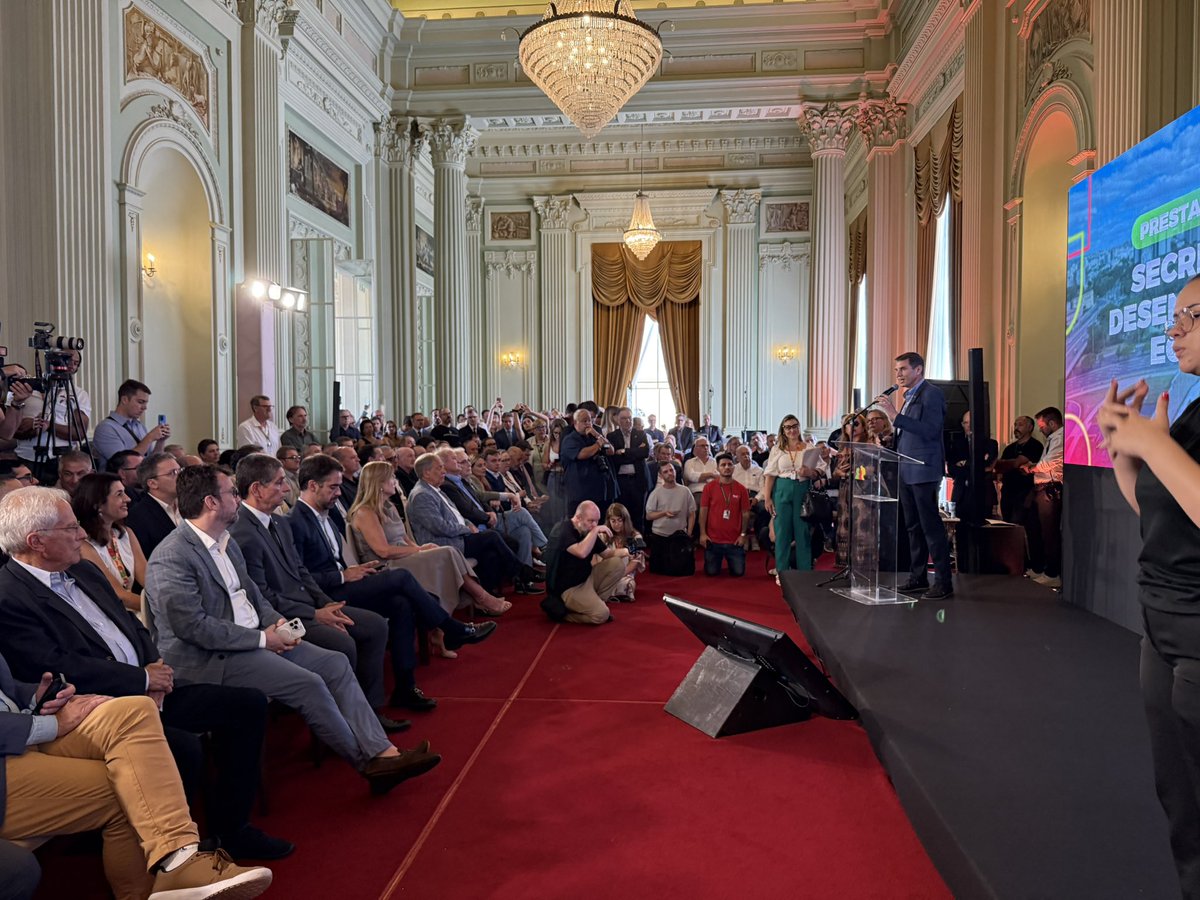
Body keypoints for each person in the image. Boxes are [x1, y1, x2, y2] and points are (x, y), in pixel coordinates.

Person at [0, 487, 292, 863]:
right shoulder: (9, 596)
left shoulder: (83, 569)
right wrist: (139, 681)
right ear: (36, 541)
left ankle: (231, 829)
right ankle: (168, 857)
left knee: (246, 704)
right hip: (99, 708)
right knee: (182, 747)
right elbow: (60, 665)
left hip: (148, 686)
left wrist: (153, 665)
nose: (83, 535)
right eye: (71, 528)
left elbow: (132, 623)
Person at [144, 464, 444, 793]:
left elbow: (253, 596)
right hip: (213, 657)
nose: (236, 497)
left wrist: (279, 624)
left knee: (334, 661)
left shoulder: (224, 541)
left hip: (256, 636)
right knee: (309, 683)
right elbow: (193, 628)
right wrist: (264, 638)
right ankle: (369, 764)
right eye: (231, 492)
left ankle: (383, 751)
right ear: (210, 502)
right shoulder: (171, 556)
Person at [0, 648, 274, 899]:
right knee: (131, 783)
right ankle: (158, 881)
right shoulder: (12, 595)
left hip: (21, 728)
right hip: (13, 746)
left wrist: (37, 696)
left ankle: (179, 859)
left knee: (134, 711)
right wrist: (44, 725)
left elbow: (5, 689)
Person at [1096, 280, 1200, 899]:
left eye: (1191, 314)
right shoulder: (1190, 412)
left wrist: (1155, 444)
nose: (1173, 328)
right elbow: (1156, 511)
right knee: (1183, 809)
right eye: (1174, 315)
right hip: (1160, 624)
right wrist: (1124, 452)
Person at [287, 453, 496, 709]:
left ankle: (406, 688)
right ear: (312, 486)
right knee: (401, 577)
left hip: (348, 579)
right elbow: (300, 576)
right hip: (328, 592)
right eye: (333, 487)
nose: (340, 493)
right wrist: (343, 574)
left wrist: (353, 569)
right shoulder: (296, 522)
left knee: (402, 605)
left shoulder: (326, 515)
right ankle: (452, 628)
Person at [227, 454, 407, 734]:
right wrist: (315, 613)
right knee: (342, 643)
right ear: (256, 489)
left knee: (373, 626)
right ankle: (346, 723)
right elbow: (261, 597)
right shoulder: (243, 534)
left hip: (310, 607)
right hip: (284, 621)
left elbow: (301, 573)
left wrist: (327, 604)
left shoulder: (278, 523)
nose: (287, 488)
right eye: (278, 483)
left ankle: (370, 711)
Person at [348, 460, 511, 622]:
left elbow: (405, 538)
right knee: (447, 552)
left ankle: (458, 613)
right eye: (391, 478)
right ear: (379, 483)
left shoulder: (388, 507)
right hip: (387, 565)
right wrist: (418, 551)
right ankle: (479, 598)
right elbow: (383, 550)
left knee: (447, 551)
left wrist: (421, 548)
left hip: (404, 557)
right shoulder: (365, 513)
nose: (396, 482)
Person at [872, 352, 953, 600]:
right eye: (897, 369)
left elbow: (930, 431)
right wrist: (892, 439)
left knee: (930, 526)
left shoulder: (931, 394)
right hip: (906, 470)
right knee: (913, 527)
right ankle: (918, 577)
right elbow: (910, 433)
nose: (898, 374)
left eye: (903, 369)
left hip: (924, 469)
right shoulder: (908, 397)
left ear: (918, 370)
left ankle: (943, 582)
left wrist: (895, 417)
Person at [406, 452, 537, 596]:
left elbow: (457, 515)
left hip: (457, 536)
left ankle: (489, 594)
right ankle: (520, 571)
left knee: (491, 553)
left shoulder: (435, 489)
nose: (443, 471)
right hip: (443, 543)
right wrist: (466, 528)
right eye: (439, 468)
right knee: (492, 536)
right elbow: (439, 527)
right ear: (427, 473)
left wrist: (467, 524)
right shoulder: (422, 495)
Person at [545, 501, 641, 625]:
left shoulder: (587, 530)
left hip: (586, 579)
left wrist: (626, 551)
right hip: (567, 588)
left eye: (597, 521)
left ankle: (596, 603)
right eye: (591, 521)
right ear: (578, 518)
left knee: (617, 564)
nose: (594, 525)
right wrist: (595, 531)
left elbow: (607, 554)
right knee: (601, 615)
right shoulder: (563, 529)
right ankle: (566, 615)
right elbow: (581, 552)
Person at [72, 473, 147, 613]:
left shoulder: (125, 533)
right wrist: (162, 607)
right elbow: (119, 595)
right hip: (112, 616)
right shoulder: (84, 546)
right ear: (98, 504)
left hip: (137, 611)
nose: (128, 499)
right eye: (119, 494)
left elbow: (149, 578)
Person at [763, 414, 822, 583]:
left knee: (802, 531)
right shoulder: (777, 449)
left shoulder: (809, 447)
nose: (792, 430)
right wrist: (767, 498)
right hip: (782, 488)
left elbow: (821, 470)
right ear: (783, 430)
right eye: (788, 427)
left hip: (802, 489)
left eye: (795, 426)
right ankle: (782, 573)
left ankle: (805, 571)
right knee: (782, 532)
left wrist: (810, 472)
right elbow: (770, 475)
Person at [91, 379, 169, 471]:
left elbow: (152, 462)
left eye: (146, 403)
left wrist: (160, 441)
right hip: (118, 482)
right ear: (124, 400)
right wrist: (150, 437)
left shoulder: (139, 426)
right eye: (140, 402)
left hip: (143, 480)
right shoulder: (106, 428)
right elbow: (124, 464)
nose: (145, 407)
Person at [1024, 406, 1064, 588]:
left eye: (1041, 425)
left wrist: (1032, 467)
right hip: (1041, 488)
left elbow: (1050, 462)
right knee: (1035, 527)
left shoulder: (1061, 438)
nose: (1040, 429)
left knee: (1050, 532)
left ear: (1052, 423)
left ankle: (1052, 572)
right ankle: (1039, 566)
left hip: (1050, 488)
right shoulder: (1051, 439)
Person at [699, 452, 751, 577]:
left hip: (734, 541)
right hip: (713, 541)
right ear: (717, 468)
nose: (726, 467)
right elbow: (703, 511)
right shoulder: (709, 488)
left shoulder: (742, 489)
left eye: (729, 464)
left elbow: (745, 513)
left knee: (738, 573)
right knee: (711, 573)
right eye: (723, 465)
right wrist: (703, 534)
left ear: (734, 467)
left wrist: (743, 535)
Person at [124, 451, 182, 560]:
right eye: (173, 473)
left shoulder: (190, 506)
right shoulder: (138, 516)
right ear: (152, 483)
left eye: (180, 470)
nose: (181, 477)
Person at [945, 410, 999, 523]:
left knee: (984, 530)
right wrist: (976, 466)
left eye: (971, 422)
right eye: (966, 422)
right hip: (961, 493)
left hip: (983, 493)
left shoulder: (991, 443)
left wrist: (964, 463)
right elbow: (952, 469)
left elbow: (987, 465)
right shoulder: (956, 444)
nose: (969, 425)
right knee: (960, 529)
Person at [559, 408, 614, 513]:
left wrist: (597, 435)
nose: (588, 423)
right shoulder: (570, 439)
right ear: (575, 423)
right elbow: (582, 454)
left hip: (599, 489)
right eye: (584, 421)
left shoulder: (595, 436)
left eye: (590, 420)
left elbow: (611, 450)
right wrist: (598, 444)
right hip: (580, 491)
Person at [830, 414, 867, 568]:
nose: (853, 426)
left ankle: (862, 561)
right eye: (848, 423)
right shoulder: (842, 446)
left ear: (863, 426)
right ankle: (844, 562)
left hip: (862, 489)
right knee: (844, 523)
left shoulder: (868, 445)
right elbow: (834, 474)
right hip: (845, 489)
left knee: (860, 524)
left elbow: (869, 470)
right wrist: (839, 472)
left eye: (856, 423)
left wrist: (855, 472)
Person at [606, 407, 650, 532]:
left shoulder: (640, 434)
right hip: (621, 481)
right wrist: (634, 454)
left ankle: (638, 545)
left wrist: (624, 451)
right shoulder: (612, 436)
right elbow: (614, 459)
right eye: (624, 419)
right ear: (617, 420)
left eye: (629, 418)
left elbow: (645, 453)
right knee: (621, 515)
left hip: (638, 480)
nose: (627, 421)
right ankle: (623, 544)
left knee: (638, 515)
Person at [992, 415, 1043, 524]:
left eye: (1020, 425)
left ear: (1030, 428)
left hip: (1025, 492)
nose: (1016, 428)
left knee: (1019, 523)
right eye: (1015, 424)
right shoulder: (1009, 448)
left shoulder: (1035, 446)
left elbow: (1015, 463)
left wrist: (1007, 464)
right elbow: (999, 467)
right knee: (1007, 522)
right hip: (1007, 492)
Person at [602, 502, 644, 601]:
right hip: (607, 573)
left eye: (619, 520)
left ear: (625, 520)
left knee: (627, 584)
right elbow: (598, 558)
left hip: (625, 574)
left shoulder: (635, 536)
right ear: (609, 521)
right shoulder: (603, 535)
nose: (616, 524)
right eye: (613, 521)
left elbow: (634, 563)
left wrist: (618, 575)